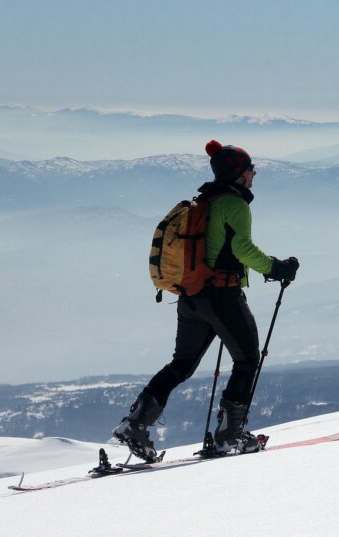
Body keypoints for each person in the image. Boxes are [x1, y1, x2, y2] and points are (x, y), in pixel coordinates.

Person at [113, 140, 299, 460]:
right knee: (247, 359)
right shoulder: (235, 205)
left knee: (181, 365)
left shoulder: (205, 200)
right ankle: (230, 435)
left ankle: (135, 423)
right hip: (221, 296)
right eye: (250, 170)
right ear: (239, 174)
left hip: (191, 297)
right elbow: (242, 249)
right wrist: (277, 268)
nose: (254, 174)